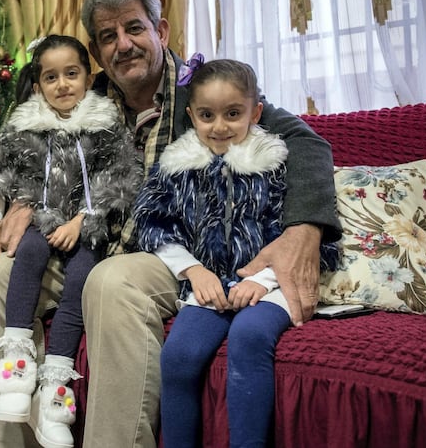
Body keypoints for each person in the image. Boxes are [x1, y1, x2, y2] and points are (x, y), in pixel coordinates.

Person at [0, 0, 342, 448]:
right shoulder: (85, 98)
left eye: (134, 28)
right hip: (83, 240)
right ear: (97, 52)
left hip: (164, 250)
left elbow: (306, 143)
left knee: (113, 281)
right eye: (108, 37)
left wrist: (303, 230)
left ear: (160, 31)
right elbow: (28, 151)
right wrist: (21, 203)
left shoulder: (203, 92)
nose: (123, 45)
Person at [132, 57, 340, 447]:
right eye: (207, 115)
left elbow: (306, 243)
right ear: (191, 115)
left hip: (271, 286)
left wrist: (262, 280)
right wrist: (194, 271)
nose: (220, 126)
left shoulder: (276, 161)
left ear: (255, 112)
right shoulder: (177, 166)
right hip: (208, 284)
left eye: (233, 114)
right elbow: (152, 224)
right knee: (178, 356)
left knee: (248, 337)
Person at [0, 34, 142, 448]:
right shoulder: (26, 124)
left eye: (71, 74)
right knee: (28, 252)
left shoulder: (104, 121)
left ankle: (55, 392)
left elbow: (119, 178)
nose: (62, 84)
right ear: (37, 83)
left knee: (81, 278)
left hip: (90, 225)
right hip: (42, 219)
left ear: (87, 76)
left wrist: (82, 219)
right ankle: (16, 365)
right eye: (50, 77)